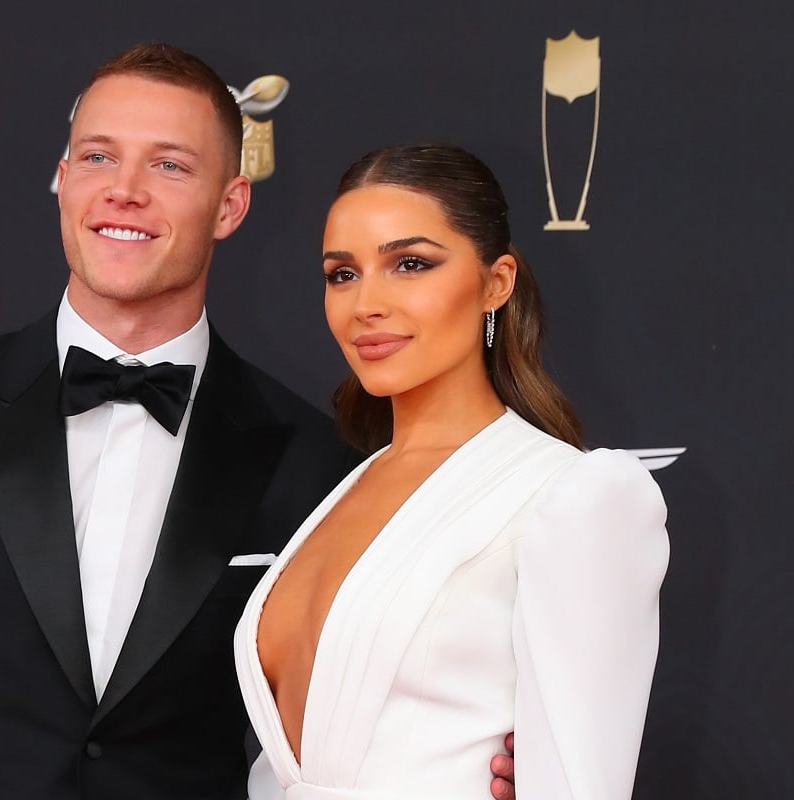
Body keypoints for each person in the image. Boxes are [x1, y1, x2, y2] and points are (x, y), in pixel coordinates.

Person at [0, 45, 519, 800]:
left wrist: (483, 766)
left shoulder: (314, 461)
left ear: (230, 205)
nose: (123, 191)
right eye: (97, 157)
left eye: (169, 166)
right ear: (62, 179)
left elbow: (348, 718)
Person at [234, 144, 669, 799]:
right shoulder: (348, 485)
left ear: (496, 283)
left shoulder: (574, 496)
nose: (365, 304)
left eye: (410, 264)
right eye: (342, 274)